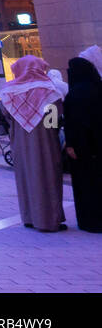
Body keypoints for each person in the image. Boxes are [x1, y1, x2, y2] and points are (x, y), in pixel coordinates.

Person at [0, 55, 66, 232]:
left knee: (26, 177)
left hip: (21, 143)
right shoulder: (49, 90)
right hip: (46, 143)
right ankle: (50, 220)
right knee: (48, 178)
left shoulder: (9, 92)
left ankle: (29, 218)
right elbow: (54, 119)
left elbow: (6, 115)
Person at [64, 56, 102, 233]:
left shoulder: (74, 94)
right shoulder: (98, 88)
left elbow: (71, 122)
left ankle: (90, 221)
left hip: (82, 148)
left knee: (86, 184)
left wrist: (70, 145)